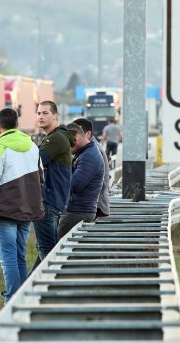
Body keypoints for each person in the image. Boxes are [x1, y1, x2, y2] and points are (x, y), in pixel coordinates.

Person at [0, 108, 44, 305]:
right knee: (19, 254)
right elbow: (40, 177)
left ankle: (11, 299)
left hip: (5, 210)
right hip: (27, 210)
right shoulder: (32, 146)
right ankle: (21, 297)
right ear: (17, 125)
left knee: (7, 257)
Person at [32, 100, 74, 270]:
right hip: (54, 201)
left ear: (55, 116)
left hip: (48, 201)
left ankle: (51, 291)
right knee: (47, 250)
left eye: (45, 113)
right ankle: (22, 292)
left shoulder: (56, 138)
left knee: (48, 253)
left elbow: (35, 163)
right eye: (39, 113)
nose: (41, 116)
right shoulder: (56, 137)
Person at [58, 122, 105, 239]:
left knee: (56, 249)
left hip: (78, 211)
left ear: (77, 136)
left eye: (67, 143)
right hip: (80, 210)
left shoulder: (89, 156)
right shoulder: (85, 153)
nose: (66, 147)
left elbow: (75, 185)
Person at [72, 117, 111, 219]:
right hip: (91, 204)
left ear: (88, 134)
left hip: (93, 204)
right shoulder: (86, 149)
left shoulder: (93, 152)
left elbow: (79, 183)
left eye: (75, 134)